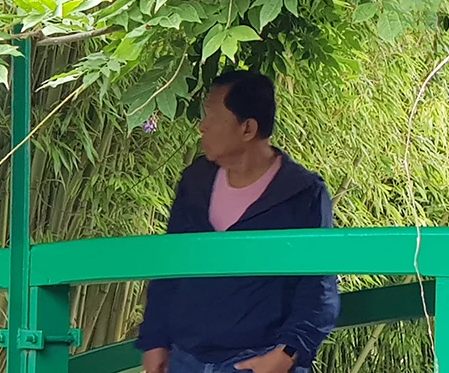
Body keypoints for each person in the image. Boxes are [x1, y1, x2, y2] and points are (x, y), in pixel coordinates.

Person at [136, 71, 339, 373]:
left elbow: (318, 286)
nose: (202, 126)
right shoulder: (195, 182)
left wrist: (286, 353)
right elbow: (170, 267)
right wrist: (155, 341)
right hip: (186, 358)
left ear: (248, 128)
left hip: (260, 360)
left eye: (213, 117)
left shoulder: (303, 193)